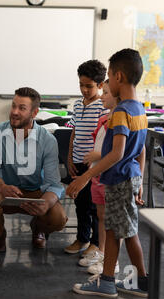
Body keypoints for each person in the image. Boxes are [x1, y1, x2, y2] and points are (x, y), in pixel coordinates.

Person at [69, 48, 148, 298]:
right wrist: (141, 181)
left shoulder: (121, 111)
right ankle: (137, 280)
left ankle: (108, 281)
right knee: (122, 232)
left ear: (119, 77)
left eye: (110, 77)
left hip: (119, 178)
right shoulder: (140, 109)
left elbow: (116, 153)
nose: (107, 84)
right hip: (130, 177)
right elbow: (140, 150)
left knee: (118, 232)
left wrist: (84, 177)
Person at [0, 87, 68, 252]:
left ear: (34, 113)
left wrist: (46, 204)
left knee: (58, 218)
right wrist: (2, 187)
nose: (14, 112)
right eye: (13, 106)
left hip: (36, 193)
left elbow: (53, 183)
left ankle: (38, 228)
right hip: (5, 191)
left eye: (22, 108)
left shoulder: (48, 140)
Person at [64, 60, 109, 257]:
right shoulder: (77, 104)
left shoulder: (103, 106)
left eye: (88, 86)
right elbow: (74, 131)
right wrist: (69, 156)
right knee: (80, 203)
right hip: (78, 162)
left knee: (94, 205)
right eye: (81, 85)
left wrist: (94, 163)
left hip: (94, 166)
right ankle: (82, 238)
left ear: (100, 85)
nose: (84, 89)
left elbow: (104, 137)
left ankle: (96, 242)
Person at [78, 79, 121, 275]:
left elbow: (120, 151)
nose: (102, 97)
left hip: (110, 176)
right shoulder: (105, 120)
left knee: (111, 220)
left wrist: (98, 156)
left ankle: (112, 261)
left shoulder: (120, 119)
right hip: (98, 176)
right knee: (101, 216)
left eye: (105, 93)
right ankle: (102, 252)